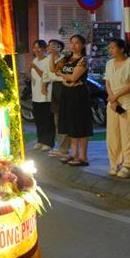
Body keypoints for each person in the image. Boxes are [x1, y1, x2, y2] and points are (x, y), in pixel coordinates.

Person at [104, 38, 130, 178]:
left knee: (129, 135)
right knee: (113, 135)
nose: (110, 50)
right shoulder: (109, 63)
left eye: (113, 47)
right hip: (113, 104)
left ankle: (128, 166)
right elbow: (107, 82)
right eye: (109, 47)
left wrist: (115, 96)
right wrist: (112, 99)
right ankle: (114, 164)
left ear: (122, 49)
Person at [54, 34, 93, 165]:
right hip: (67, 93)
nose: (73, 45)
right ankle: (74, 154)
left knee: (80, 124)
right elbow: (54, 69)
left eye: (76, 43)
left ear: (82, 45)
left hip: (78, 94)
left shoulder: (83, 60)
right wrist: (53, 55)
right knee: (70, 123)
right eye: (71, 43)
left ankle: (83, 157)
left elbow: (73, 77)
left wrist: (60, 74)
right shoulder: (67, 58)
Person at [28, 40, 56, 152]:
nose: (36, 50)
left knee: (47, 120)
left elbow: (46, 76)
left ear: (44, 49)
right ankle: (40, 141)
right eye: (34, 47)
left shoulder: (48, 60)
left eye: (39, 47)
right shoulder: (34, 60)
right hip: (36, 95)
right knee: (39, 120)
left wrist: (34, 67)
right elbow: (34, 77)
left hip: (46, 96)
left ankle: (48, 142)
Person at [45, 40, 70, 158]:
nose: (50, 47)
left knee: (63, 120)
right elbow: (48, 72)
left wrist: (53, 56)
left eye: (53, 46)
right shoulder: (50, 58)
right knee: (57, 120)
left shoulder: (64, 59)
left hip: (63, 87)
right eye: (49, 46)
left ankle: (64, 149)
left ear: (59, 47)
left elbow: (53, 70)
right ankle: (61, 147)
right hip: (55, 87)